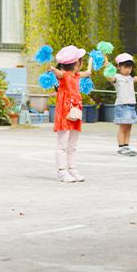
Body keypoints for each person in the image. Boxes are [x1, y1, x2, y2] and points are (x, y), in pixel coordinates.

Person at [50, 45, 93, 183]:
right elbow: (59, 73)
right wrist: (52, 69)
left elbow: (88, 72)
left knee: (73, 143)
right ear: (76, 63)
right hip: (64, 112)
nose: (82, 63)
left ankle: (72, 169)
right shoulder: (65, 76)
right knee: (62, 143)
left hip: (75, 111)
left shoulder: (76, 75)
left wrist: (92, 61)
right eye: (80, 60)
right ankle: (61, 171)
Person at [107, 53, 137, 157]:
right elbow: (110, 78)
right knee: (123, 128)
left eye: (130, 67)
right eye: (125, 67)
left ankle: (126, 146)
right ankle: (121, 148)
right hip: (122, 106)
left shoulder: (130, 78)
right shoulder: (117, 77)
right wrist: (107, 67)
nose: (128, 70)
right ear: (119, 67)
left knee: (129, 127)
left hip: (131, 106)